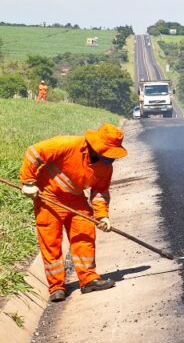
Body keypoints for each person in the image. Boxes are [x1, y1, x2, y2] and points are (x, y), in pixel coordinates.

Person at [20, 124, 127, 302]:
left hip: (76, 199)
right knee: (51, 241)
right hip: (49, 196)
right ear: (95, 147)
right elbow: (33, 152)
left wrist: (102, 216)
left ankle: (88, 279)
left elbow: (100, 191)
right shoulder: (67, 144)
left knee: (85, 234)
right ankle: (56, 287)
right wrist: (28, 182)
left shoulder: (105, 167)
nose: (110, 159)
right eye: (107, 153)